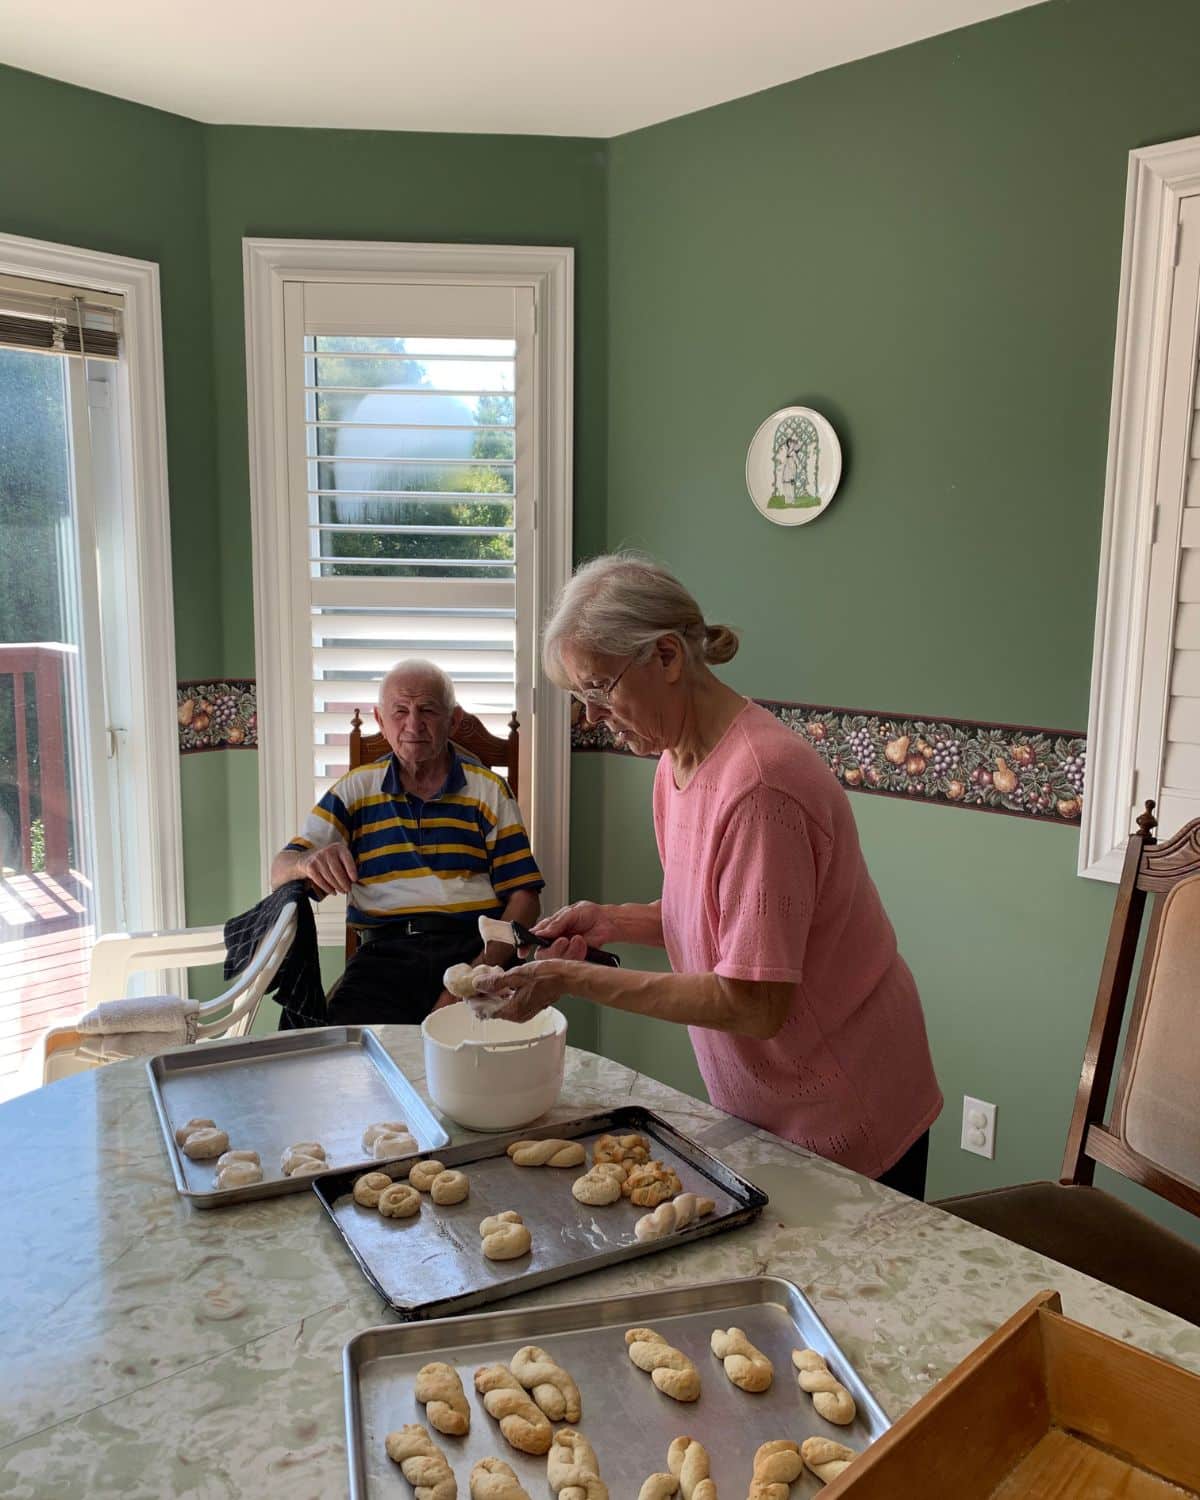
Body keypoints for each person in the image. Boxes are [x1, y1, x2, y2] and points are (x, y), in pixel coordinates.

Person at [480, 556, 943, 1199]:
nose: (592, 718)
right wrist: (610, 920)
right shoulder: (675, 762)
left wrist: (571, 977)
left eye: (599, 690)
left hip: (847, 1105)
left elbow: (754, 1002)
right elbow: (719, 918)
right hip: (770, 1104)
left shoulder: (761, 786)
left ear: (666, 657)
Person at [271, 659, 542, 1024]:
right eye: (400, 711)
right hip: (383, 958)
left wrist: (477, 975)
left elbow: (525, 899)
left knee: (485, 1066)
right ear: (381, 721)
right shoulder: (355, 790)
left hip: (473, 950)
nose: (413, 724)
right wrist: (308, 862)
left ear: (454, 720)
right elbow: (281, 870)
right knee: (340, 1061)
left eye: (428, 710)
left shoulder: (488, 791)